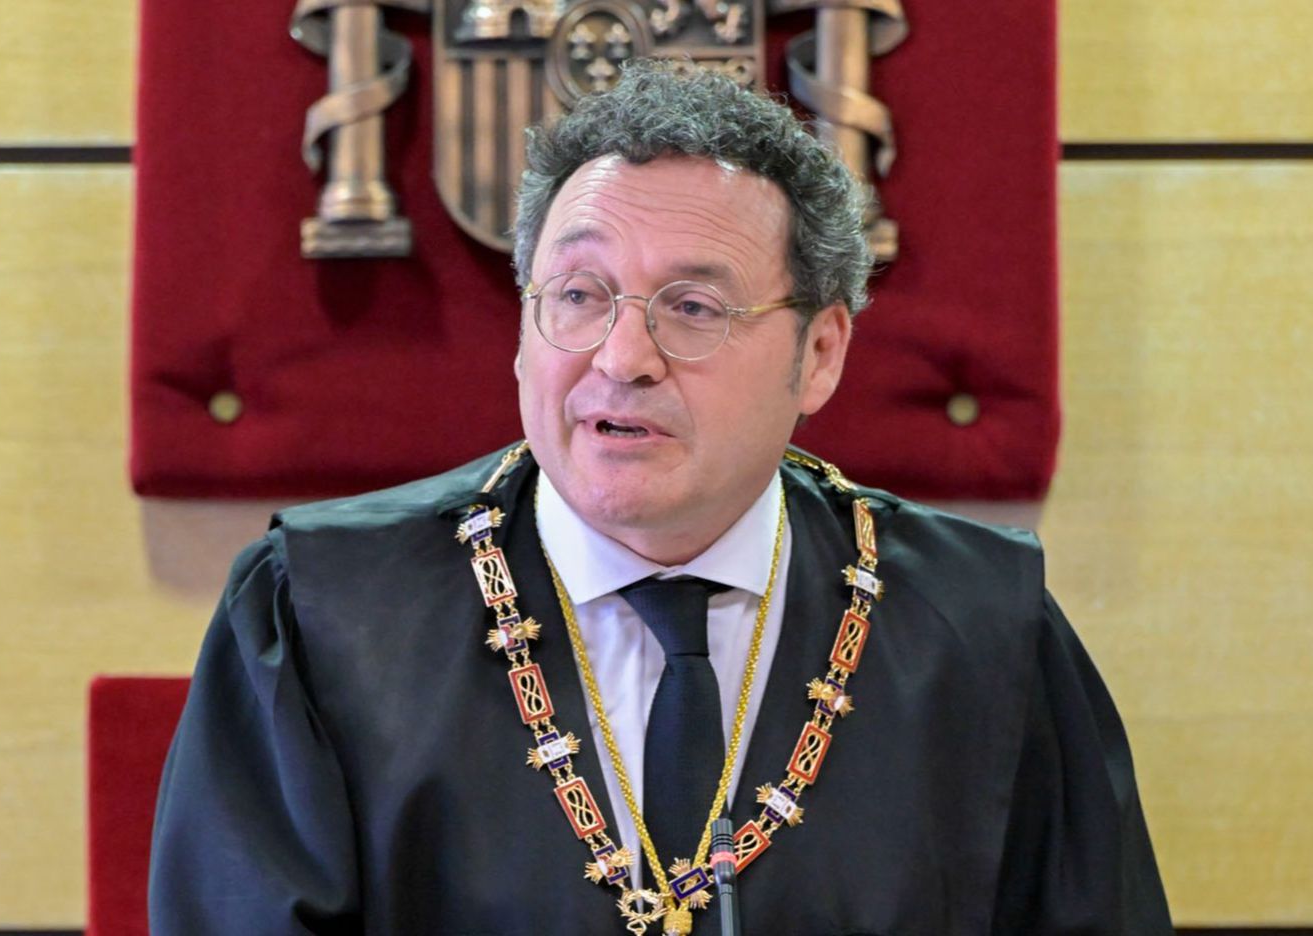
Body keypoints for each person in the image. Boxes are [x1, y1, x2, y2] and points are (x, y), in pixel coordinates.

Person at [149, 60, 1173, 936]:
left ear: (819, 354)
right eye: (578, 296)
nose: (621, 358)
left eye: (692, 307)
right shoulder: (323, 614)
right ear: (523, 329)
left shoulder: (984, 629)